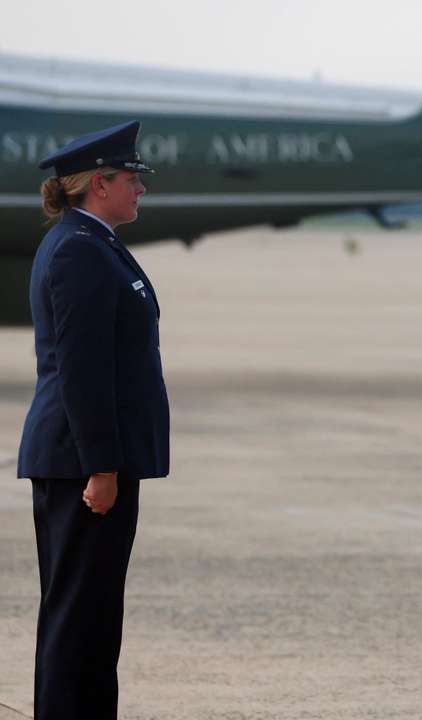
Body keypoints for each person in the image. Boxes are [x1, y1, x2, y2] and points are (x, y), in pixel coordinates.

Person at [18, 120, 169, 720]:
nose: (140, 190)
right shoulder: (80, 249)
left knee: (93, 617)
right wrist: (101, 467)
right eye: (132, 179)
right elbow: (82, 371)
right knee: (80, 617)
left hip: (89, 458)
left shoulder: (91, 240)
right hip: (81, 463)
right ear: (99, 184)